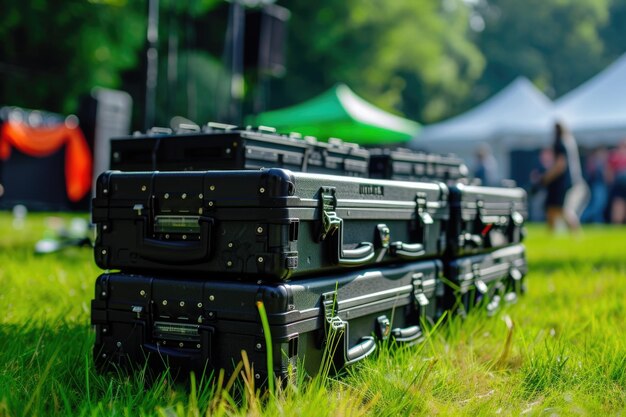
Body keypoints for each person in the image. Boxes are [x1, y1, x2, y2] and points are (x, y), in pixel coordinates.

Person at [540, 121, 588, 232]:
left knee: (565, 210)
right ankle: (551, 236)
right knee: (552, 209)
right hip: (568, 181)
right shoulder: (569, 141)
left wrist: (546, 178)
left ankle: (576, 235)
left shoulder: (560, 143)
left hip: (562, 182)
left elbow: (560, 164)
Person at [606, 139, 626, 224]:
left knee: (618, 207)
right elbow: (608, 173)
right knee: (618, 207)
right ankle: (617, 223)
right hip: (619, 185)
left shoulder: (614, 155)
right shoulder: (614, 156)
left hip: (619, 184)